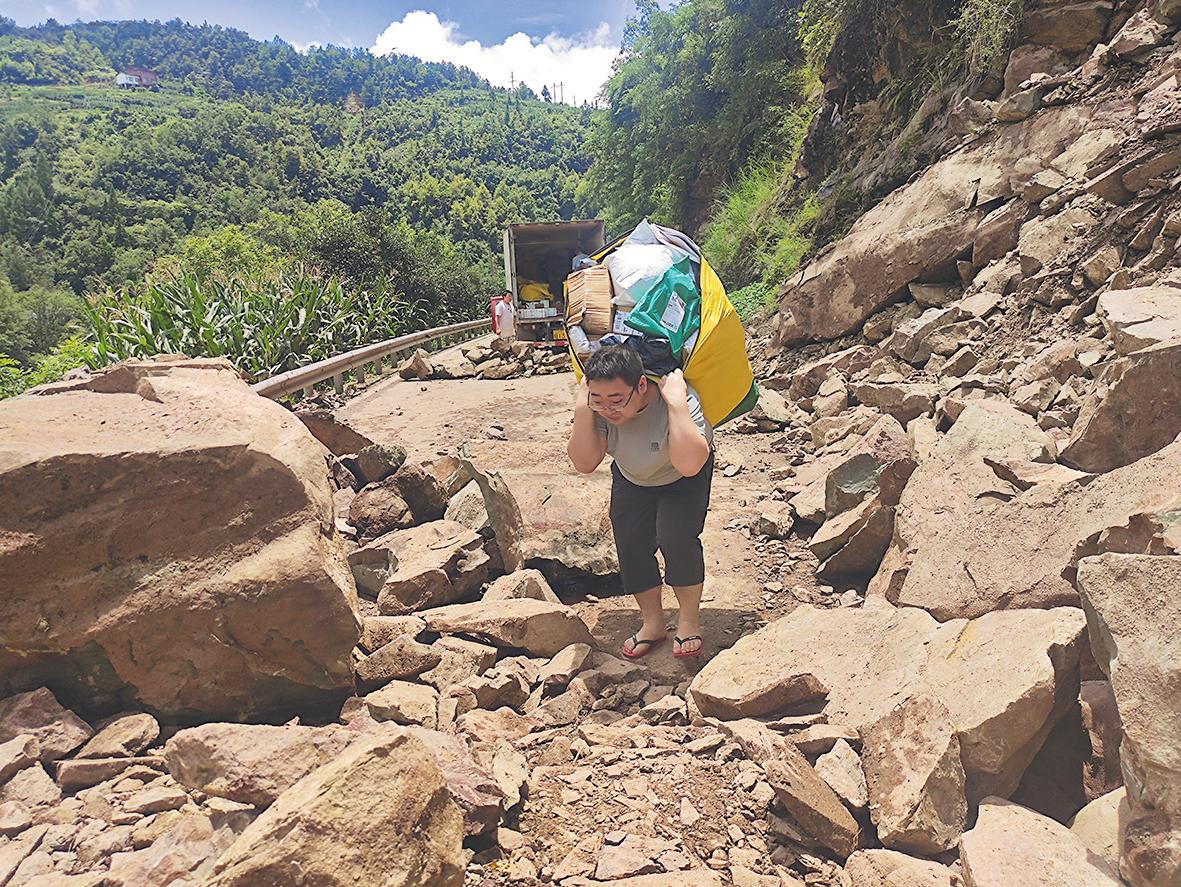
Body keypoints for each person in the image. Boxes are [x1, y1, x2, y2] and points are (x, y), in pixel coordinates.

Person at [567, 345, 713, 659]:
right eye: (598, 399)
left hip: (682, 474)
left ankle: (689, 620)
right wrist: (583, 406)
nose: (609, 409)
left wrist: (676, 405)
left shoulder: (679, 397)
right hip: (632, 476)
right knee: (631, 544)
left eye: (617, 399)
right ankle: (653, 623)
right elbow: (584, 462)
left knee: (677, 538)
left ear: (642, 385)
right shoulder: (597, 409)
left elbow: (690, 464)